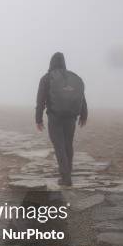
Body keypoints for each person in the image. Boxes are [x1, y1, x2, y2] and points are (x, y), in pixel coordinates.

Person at [35, 52, 88, 187]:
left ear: (51, 63)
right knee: (68, 145)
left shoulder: (47, 78)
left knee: (59, 146)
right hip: (71, 117)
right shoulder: (73, 78)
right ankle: (67, 172)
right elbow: (81, 97)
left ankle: (65, 178)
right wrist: (84, 114)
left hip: (55, 117)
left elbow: (40, 99)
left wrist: (38, 119)